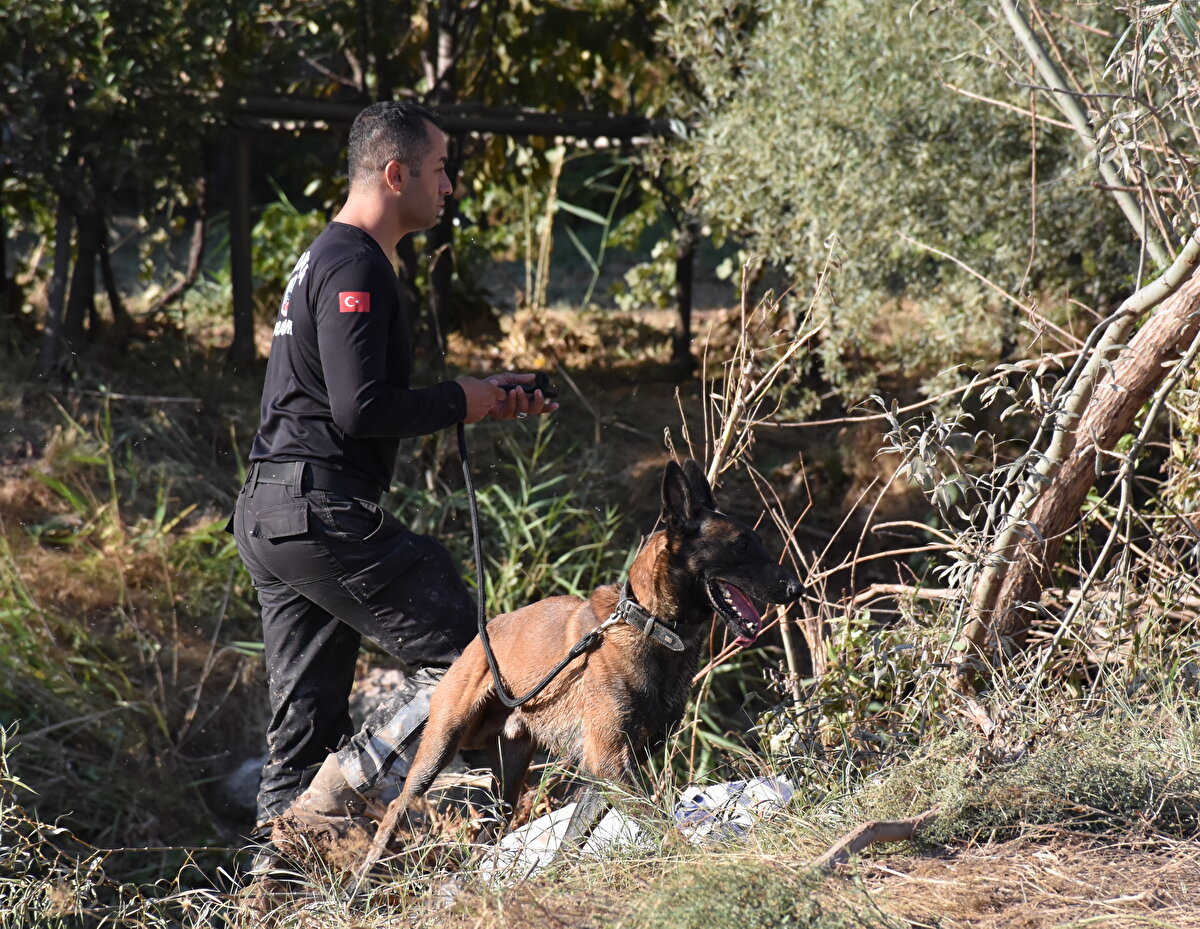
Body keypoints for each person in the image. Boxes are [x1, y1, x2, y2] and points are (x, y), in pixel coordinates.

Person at [230, 101, 556, 864]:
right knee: (482, 660)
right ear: (395, 172)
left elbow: (343, 396)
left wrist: (471, 394)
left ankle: (267, 896)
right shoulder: (356, 264)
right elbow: (359, 406)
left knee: (301, 729)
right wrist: (461, 401)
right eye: (441, 170)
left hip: (273, 513)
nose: (450, 187)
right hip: (318, 512)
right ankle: (358, 781)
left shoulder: (327, 256)